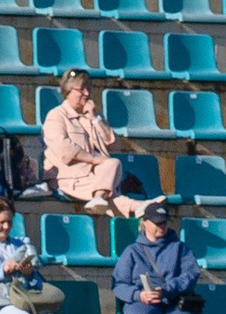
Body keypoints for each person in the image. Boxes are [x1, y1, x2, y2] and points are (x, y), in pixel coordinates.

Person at [40, 72, 149, 219]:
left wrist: (95, 119)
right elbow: (64, 149)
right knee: (110, 187)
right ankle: (138, 207)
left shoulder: (93, 116)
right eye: (81, 89)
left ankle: (100, 198)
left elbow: (111, 142)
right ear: (68, 90)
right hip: (67, 178)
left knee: (112, 164)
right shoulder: (56, 116)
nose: (87, 93)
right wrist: (93, 159)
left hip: (94, 176)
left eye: (88, 89)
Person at [113, 200, 204, 314]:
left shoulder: (180, 248)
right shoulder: (132, 251)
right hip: (143, 302)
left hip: (175, 301)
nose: (162, 226)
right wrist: (139, 295)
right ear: (145, 223)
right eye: (157, 222)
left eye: (165, 222)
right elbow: (119, 284)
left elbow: (191, 274)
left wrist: (167, 289)